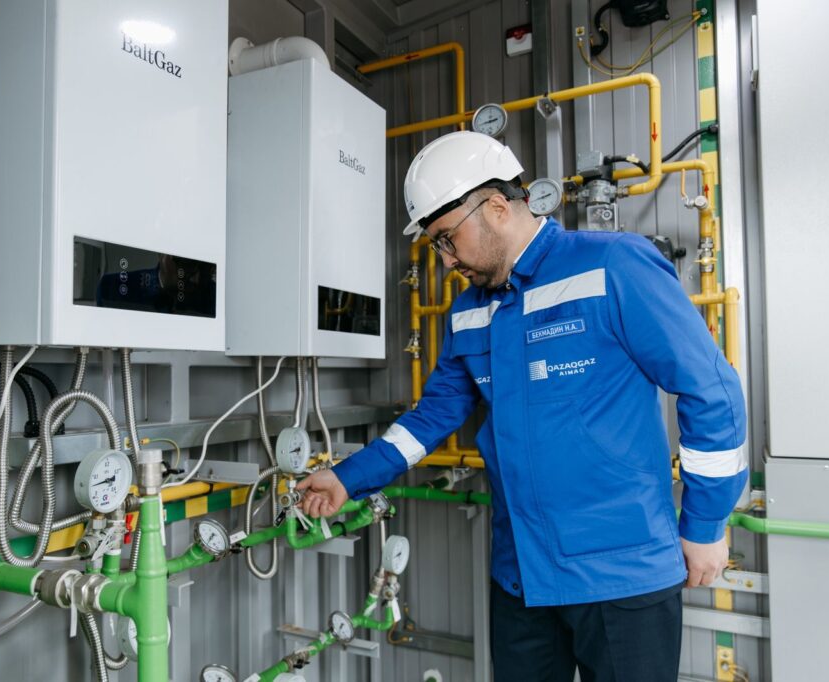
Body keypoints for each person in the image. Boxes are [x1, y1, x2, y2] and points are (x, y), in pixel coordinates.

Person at [295, 131, 747, 682]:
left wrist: (705, 524)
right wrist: (348, 478)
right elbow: (433, 416)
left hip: (622, 575)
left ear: (496, 207)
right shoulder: (468, 312)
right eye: (435, 247)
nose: (445, 260)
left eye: (447, 239)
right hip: (522, 578)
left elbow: (710, 391)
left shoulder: (612, 266)